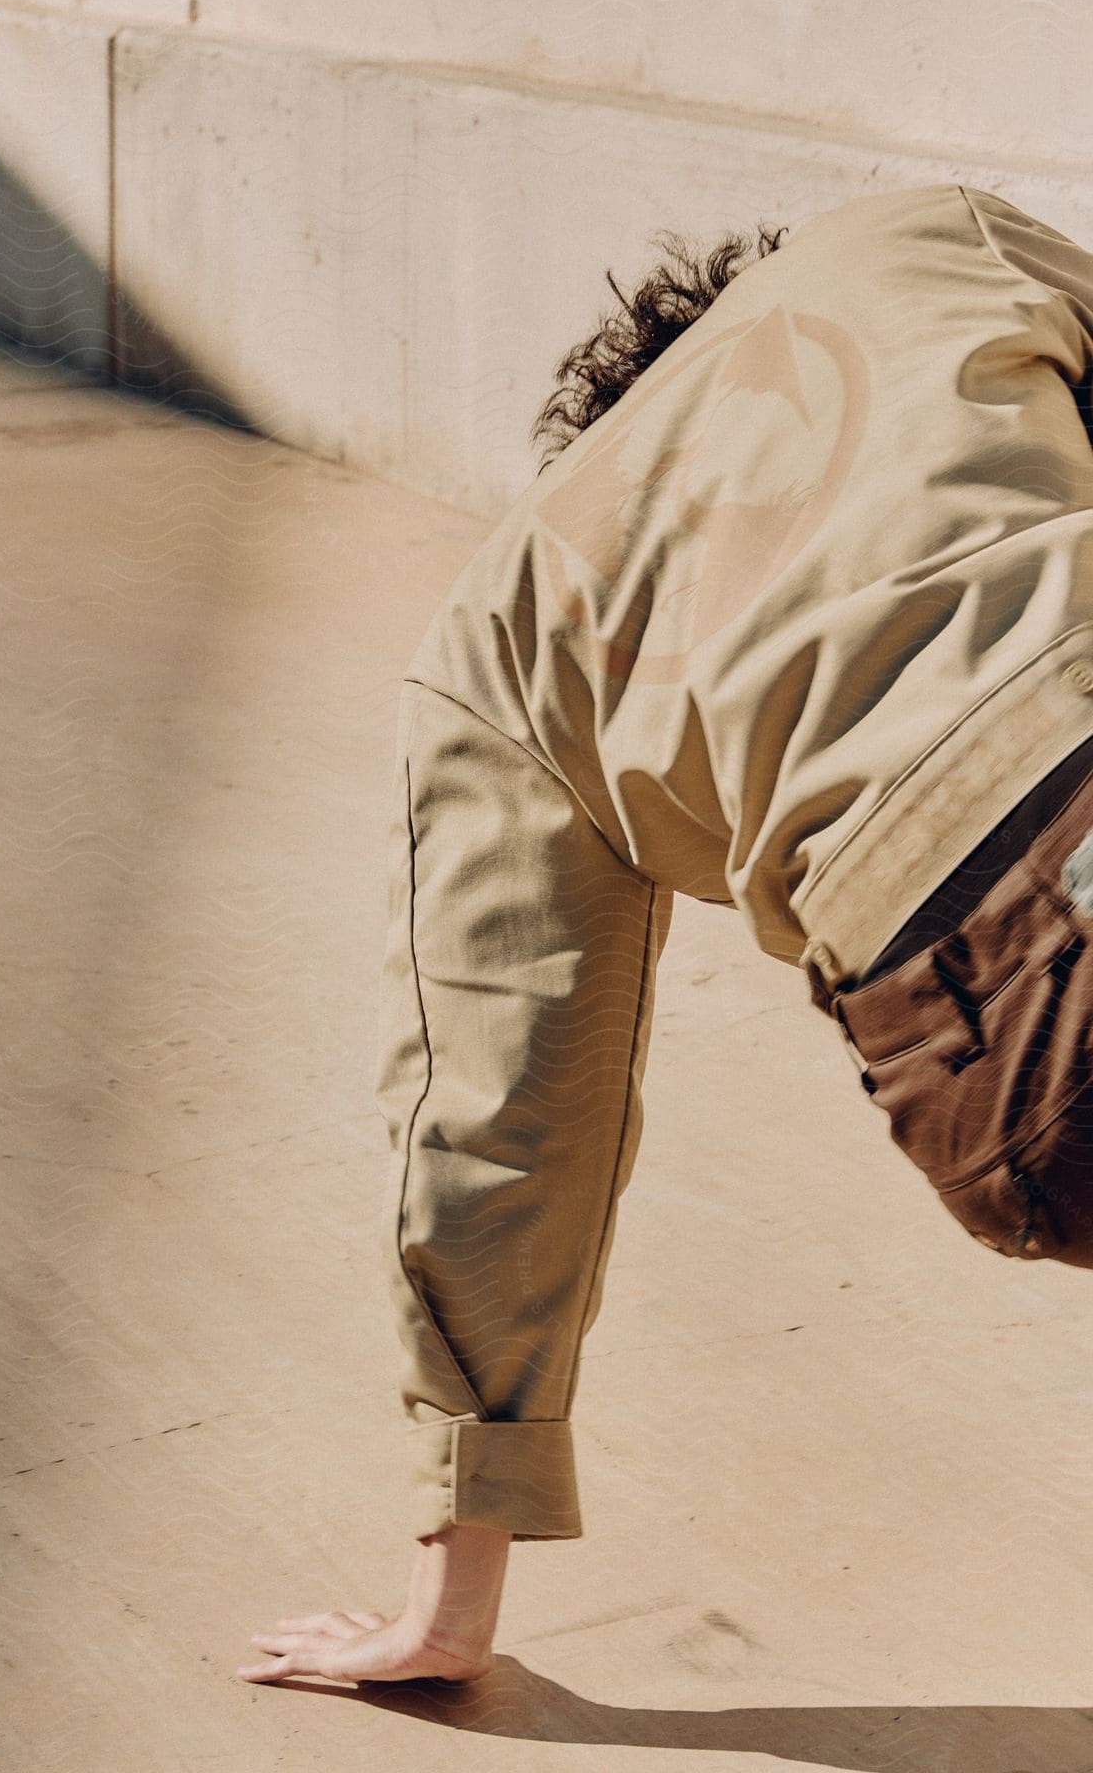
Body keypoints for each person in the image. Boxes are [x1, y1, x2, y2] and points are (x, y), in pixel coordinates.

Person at [237, 182, 1093, 1687]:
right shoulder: (923, 238)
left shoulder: (503, 623)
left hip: (995, 1083)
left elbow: (492, 1111)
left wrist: (451, 1592)